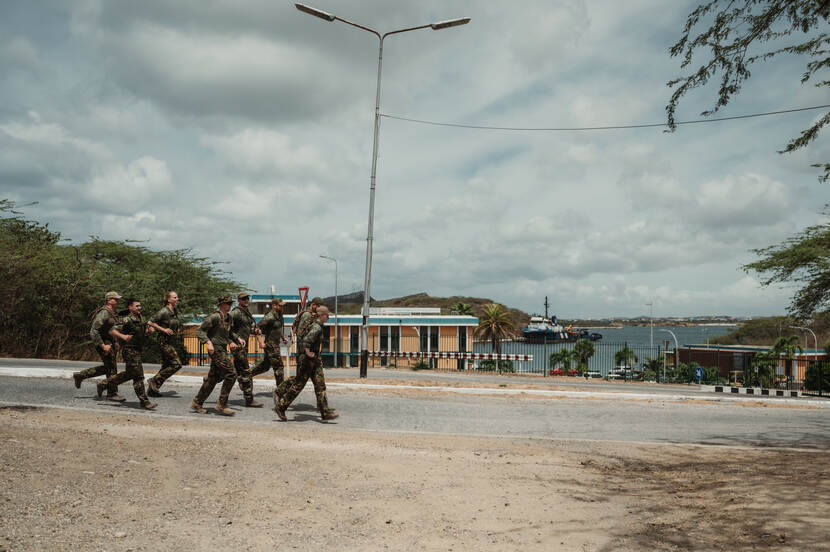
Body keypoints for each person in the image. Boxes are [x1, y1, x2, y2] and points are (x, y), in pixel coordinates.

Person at [274, 306, 338, 421]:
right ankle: (281, 406)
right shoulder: (316, 327)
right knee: (298, 385)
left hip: (315, 361)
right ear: (322, 316)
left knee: (320, 385)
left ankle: (325, 412)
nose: (328, 317)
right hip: (308, 361)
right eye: (327, 315)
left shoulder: (317, 325)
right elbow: (306, 341)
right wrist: (308, 353)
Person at [100, 298, 157, 410]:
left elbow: (140, 333)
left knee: (130, 374)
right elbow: (112, 330)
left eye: (140, 305)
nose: (139, 308)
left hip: (138, 350)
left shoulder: (141, 318)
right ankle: (144, 402)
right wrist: (123, 336)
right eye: (137, 306)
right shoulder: (126, 319)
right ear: (130, 307)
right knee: (139, 376)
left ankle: (105, 384)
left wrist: (148, 332)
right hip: (129, 350)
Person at [190, 294, 242, 416]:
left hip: (222, 349)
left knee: (212, 379)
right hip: (215, 349)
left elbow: (227, 334)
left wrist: (234, 340)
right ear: (221, 304)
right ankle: (222, 404)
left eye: (231, 303)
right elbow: (200, 331)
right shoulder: (214, 317)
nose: (230, 305)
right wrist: (208, 343)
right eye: (228, 303)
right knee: (231, 374)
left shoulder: (228, 317)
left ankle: (197, 403)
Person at [72, 291, 125, 402]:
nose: (118, 301)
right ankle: (112, 393)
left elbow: (112, 329)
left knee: (109, 367)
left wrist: (115, 341)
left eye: (118, 299)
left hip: (109, 342)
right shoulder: (104, 313)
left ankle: (81, 376)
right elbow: (94, 331)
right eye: (115, 299)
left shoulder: (113, 312)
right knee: (111, 368)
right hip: (103, 343)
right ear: (108, 300)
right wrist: (103, 346)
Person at [289, 296, 333, 414]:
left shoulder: (315, 318)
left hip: (313, 355)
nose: (319, 309)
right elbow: (301, 335)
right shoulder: (307, 315)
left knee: (319, 383)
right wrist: (307, 350)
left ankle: (323, 408)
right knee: (299, 381)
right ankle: (280, 397)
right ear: (313, 305)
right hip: (306, 355)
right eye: (318, 306)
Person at [146, 290, 182, 396]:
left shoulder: (174, 311)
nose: (177, 299)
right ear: (168, 299)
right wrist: (164, 330)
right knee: (177, 364)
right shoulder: (164, 311)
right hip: (163, 341)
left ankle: (152, 390)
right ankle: (153, 380)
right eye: (175, 297)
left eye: (177, 297)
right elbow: (150, 322)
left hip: (170, 341)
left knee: (166, 365)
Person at [230, 292, 262, 407]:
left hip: (245, 346)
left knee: (235, 372)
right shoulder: (235, 313)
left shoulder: (246, 312)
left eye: (247, 298)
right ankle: (249, 399)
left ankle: (212, 378)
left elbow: (246, 328)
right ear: (239, 300)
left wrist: (255, 331)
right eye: (243, 299)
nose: (246, 300)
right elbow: (227, 329)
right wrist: (235, 339)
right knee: (246, 372)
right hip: (238, 346)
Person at [250, 297, 288, 387]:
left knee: (265, 366)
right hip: (270, 345)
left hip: (276, 344)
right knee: (279, 367)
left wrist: (283, 337)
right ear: (274, 306)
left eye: (282, 306)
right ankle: (281, 390)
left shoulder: (279, 315)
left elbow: (277, 328)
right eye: (280, 305)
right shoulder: (269, 317)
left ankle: (246, 375)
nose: (282, 307)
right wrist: (260, 342)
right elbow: (257, 328)